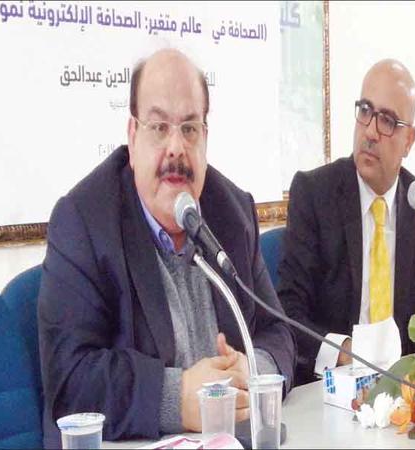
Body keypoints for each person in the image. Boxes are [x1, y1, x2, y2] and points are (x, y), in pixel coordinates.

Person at [36, 48, 295, 447]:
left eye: (189, 128)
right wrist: (176, 398)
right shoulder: (83, 221)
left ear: (205, 137)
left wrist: (252, 372)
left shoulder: (233, 212)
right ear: (132, 136)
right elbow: (71, 379)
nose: (176, 147)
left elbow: (278, 332)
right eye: (159, 127)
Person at [277, 60, 415, 387]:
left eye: (387, 120)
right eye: (365, 111)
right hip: (330, 387)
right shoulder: (315, 193)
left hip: (401, 393)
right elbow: (288, 311)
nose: (371, 132)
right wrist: (348, 352)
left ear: (409, 140)